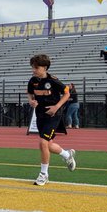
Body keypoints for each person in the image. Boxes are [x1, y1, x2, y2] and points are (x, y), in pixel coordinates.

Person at [26, 53, 77, 185]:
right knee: (48, 144)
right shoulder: (33, 81)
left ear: (45, 68)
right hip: (40, 115)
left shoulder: (53, 81)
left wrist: (56, 106)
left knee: (42, 142)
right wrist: (31, 101)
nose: (33, 70)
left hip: (53, 115)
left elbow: (67, 93)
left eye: (36, 68)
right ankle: (67, 155)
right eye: (33, 67)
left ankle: (44, 174)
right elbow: (30, 93)